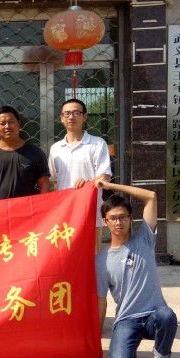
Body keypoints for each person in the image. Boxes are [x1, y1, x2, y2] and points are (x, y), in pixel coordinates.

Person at [94, 178, 178, 358]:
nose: (118, 222)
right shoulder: (101, 260)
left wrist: (112, 187)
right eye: (113, 218)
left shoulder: (145, 239)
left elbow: (151, 197)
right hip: (127, 320)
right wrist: (96, 337)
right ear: (105, 222)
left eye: (123, 217)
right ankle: (130, 344)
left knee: (167, 315)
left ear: (131, 218)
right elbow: (101, 300)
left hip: (153, 316)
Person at [49, 98, 112, 252]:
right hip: (65, 213)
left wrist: (88, 182)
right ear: (62, 118)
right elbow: (54, 181)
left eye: (76, 113)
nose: (71, 117)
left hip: (90, 211)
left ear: (85, 117)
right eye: (67, 113)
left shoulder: (98, 144)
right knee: (66, 255)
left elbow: (105, 177)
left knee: (92, 256)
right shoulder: (56, 148)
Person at [0, 106, 50, 201]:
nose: (7, 126)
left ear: (19, 124)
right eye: (2, 123)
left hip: (25, 209)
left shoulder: (36, 153)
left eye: (11, 122)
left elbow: (44, 184)